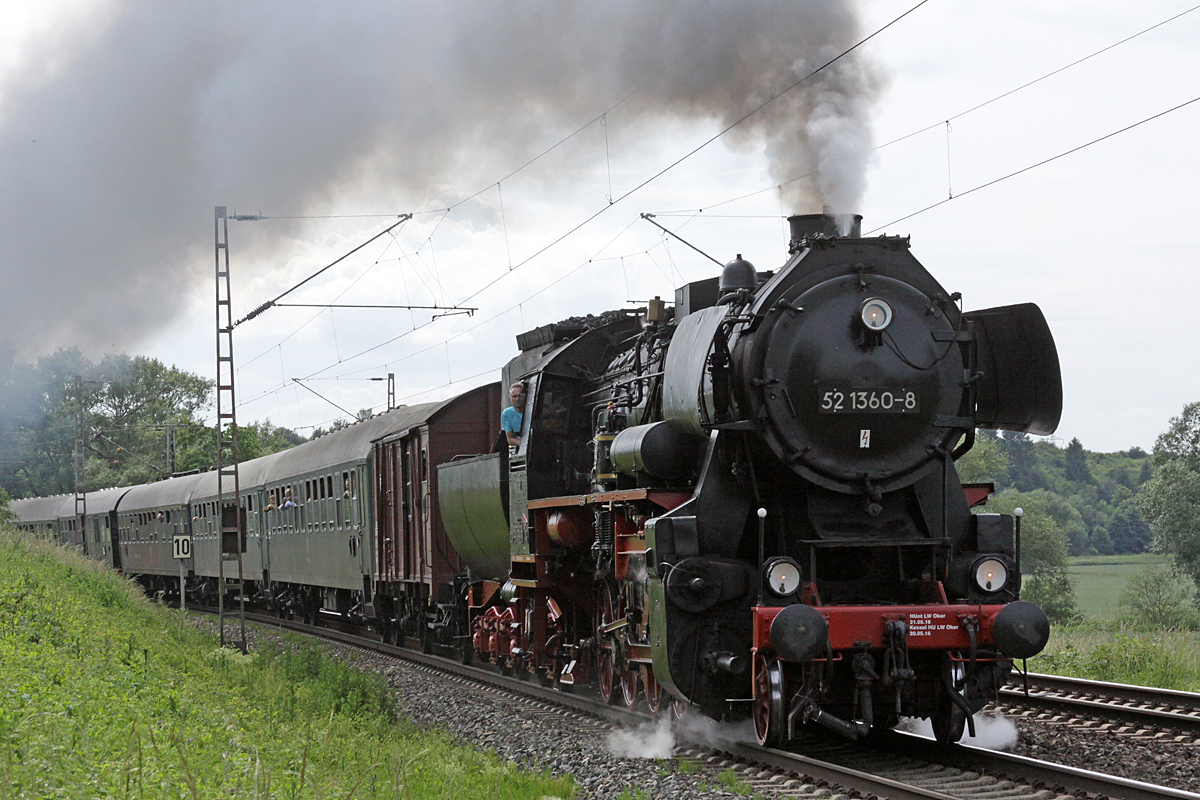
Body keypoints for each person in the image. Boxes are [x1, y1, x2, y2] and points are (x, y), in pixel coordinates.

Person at [502, 382, 526, 447]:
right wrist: (525, 443)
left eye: (520, 396)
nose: (517, 399)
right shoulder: (507, 414)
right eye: (514, 396)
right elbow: (510, 439)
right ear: (510, 398)